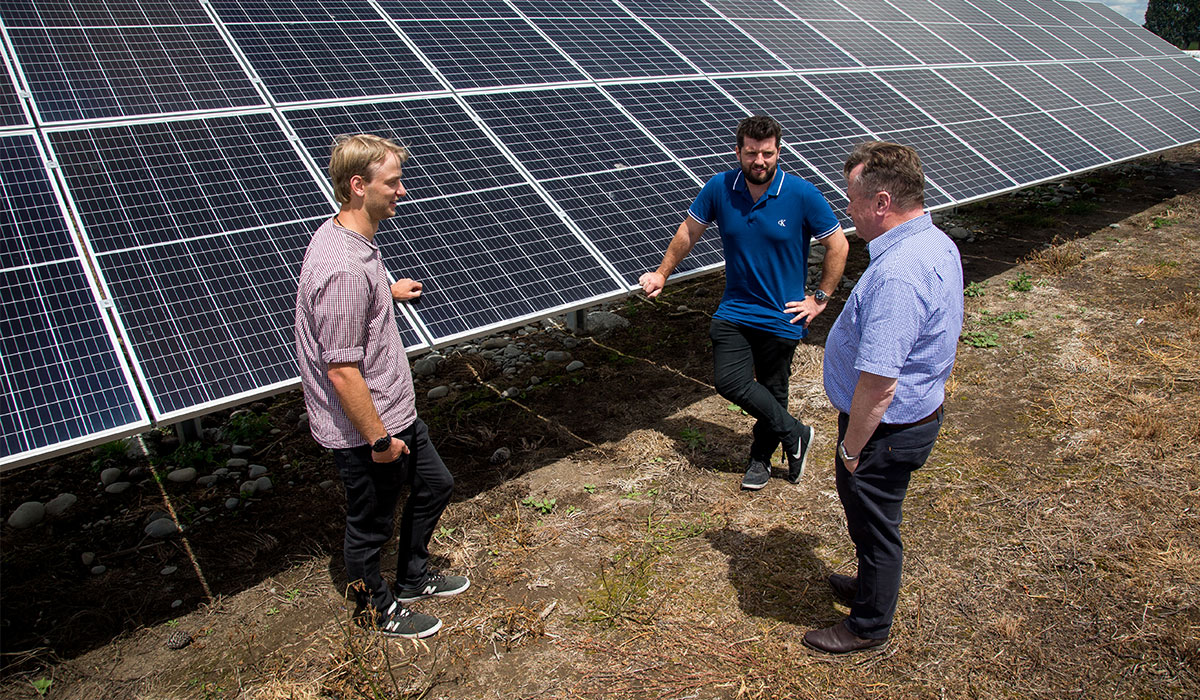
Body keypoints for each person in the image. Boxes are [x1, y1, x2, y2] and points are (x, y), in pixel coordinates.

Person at [295, 134, 468, 639]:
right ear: (357, 186)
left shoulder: (353, 240)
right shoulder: (344, 269)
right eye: (392, 183)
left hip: (396, 409)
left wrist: (385, 292)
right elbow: (342, 371)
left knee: (437, 483)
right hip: (368, 431)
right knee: (370, 524)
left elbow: (353, 311)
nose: (402, 191)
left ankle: (413, 576)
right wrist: (378, 441)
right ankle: (376, 607)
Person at [804, 141, 963, 654]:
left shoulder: (899, 274)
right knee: (872, 518)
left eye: (852, 199)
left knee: (875, 523)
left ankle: (868, 626)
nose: (846, 210)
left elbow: (879, 380)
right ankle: (870, 585)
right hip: (908, 418)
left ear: (881, 204)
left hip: (885, 429)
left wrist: (851, 448)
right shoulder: (934, 242)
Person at [640, 115, 848, 490]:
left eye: (767, 154)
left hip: (782, 314)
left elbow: (838, 244)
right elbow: (689, 230)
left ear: (778, 152)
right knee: (729, 381)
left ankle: (760, 459)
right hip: (734, 309)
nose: (759, 161)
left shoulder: (801, 194)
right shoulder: (720, 188)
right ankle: (795, 432)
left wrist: (819, 299)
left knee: (774, 389)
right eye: (751, 153)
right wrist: (662, 273)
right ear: (738, 151)